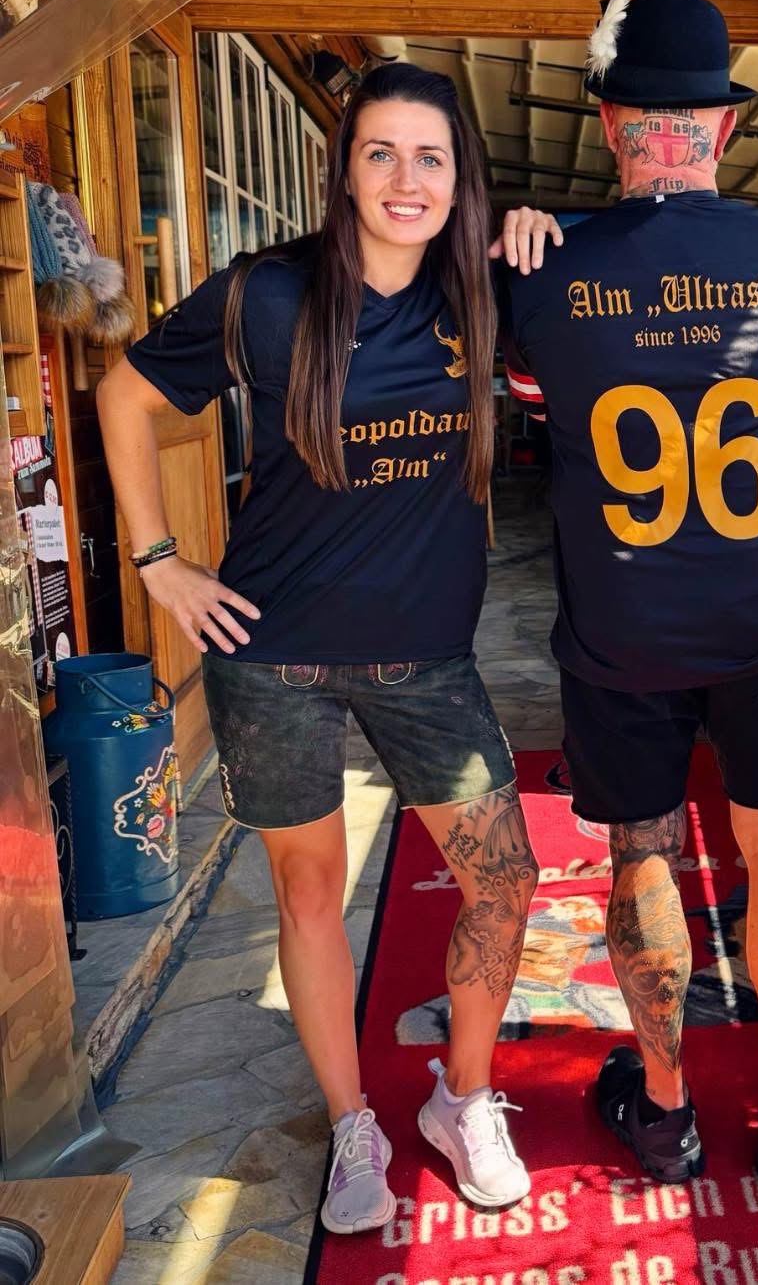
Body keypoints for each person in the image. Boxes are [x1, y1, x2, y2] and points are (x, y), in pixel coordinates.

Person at [98, 63, 562, 1233]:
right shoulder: (265, 295)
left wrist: (544, 231)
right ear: (344, 168)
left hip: (427, 660)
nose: (406, 179)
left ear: (459, 176)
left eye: (430, 157)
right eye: (380, 153)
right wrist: (159, 564)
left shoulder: (482, 290)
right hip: (275, 655)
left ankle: (463, 1098)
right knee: (308, 895)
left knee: (505, 881)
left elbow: (600, 307)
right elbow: (124, 394)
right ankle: (354, 1121)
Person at [503, 0, 758, 1187]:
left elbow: (532, 400)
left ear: (612, 124)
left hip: (620, 626)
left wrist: (534, 237)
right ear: (722, 126)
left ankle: (665, 1113)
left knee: (643, 853)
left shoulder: (542, 271)